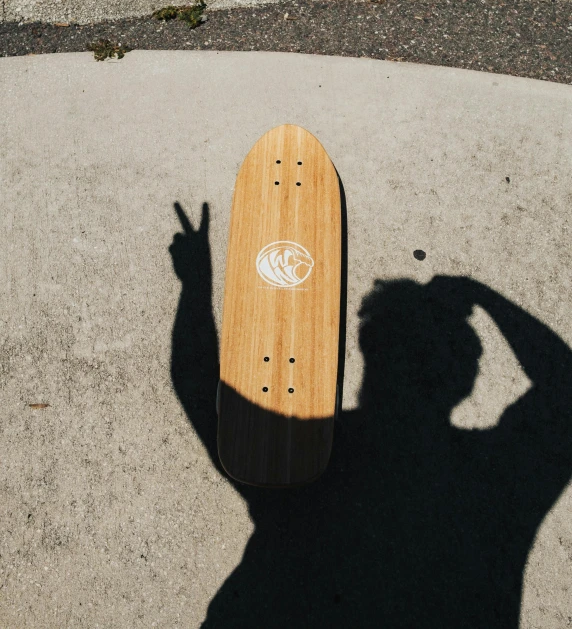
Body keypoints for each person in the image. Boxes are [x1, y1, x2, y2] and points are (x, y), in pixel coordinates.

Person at [170, 203, 572, 628]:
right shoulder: (493, 478)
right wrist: (481, 295)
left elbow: (197, 385)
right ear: (464, 379)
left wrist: (196, 284)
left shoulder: (310, 456)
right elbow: (564, 386)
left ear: (368, 358)